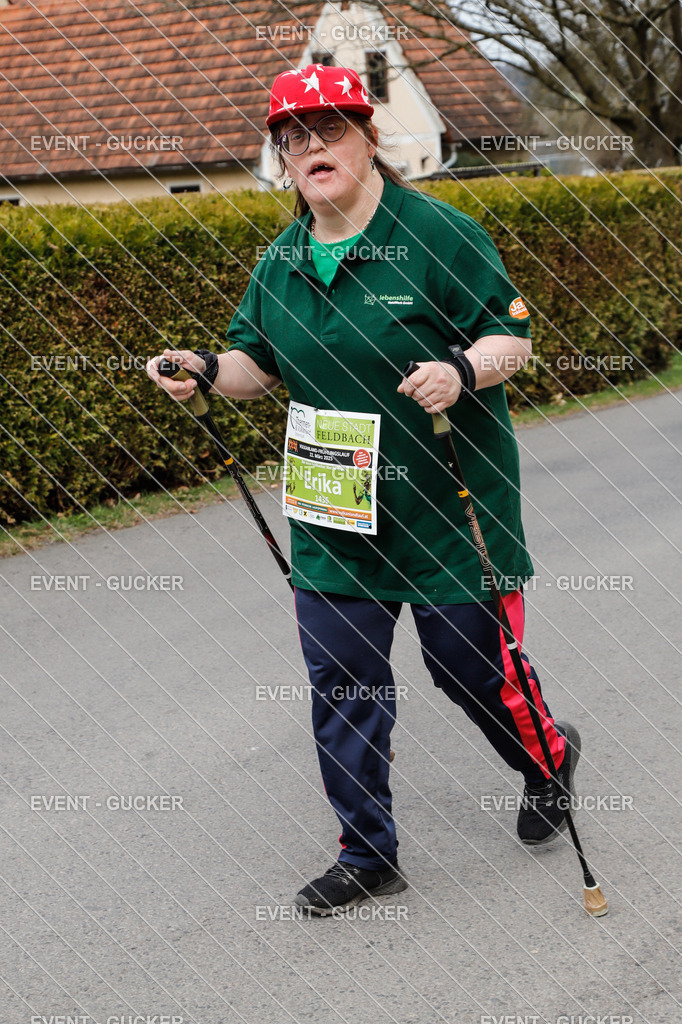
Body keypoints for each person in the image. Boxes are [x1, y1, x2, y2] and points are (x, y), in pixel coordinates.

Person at [147, 64, 581, 917]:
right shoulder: (281, 261)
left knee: (469, 671)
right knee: (344, 679)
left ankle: (548, 760)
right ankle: (366, 851)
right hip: (334, 508)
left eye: (331, 128)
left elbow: (512, 339)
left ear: (368, 137)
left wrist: (461, 370)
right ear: (281, 155)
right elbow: (255, 365)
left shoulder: (439, 235)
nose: (313, 147)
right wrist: (202, 368)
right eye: (293, 136)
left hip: (449, 506)